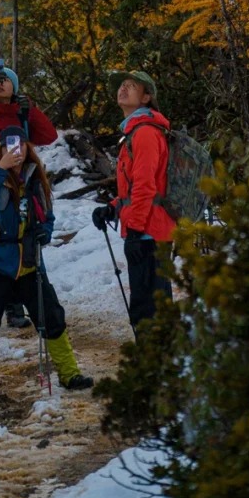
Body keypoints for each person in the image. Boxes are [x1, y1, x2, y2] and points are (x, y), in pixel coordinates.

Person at [0, 130, 92, 413]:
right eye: (9, 145)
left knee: (51, 315)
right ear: (0, 149)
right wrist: (0, 170)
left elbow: (47, 214)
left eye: (21, 144)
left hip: (29, 261)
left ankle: (70, 373)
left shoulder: (35, 178)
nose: (16, 150)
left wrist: (44, 231)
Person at [0, 57, 57, 327]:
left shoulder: (22, 114)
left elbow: (49, 135)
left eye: (6, 80)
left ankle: (31, 305)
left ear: (15, 88)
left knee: (24, 238)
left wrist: (30, 110)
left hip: (23, 186)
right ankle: (8, 306)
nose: (0, 84)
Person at [92, 70, 175, 328]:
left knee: (147, 310)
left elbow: (145, 186)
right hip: (148, 230)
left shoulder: (145, 132)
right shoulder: (135, 131)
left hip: (149, 233)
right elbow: (134, 188)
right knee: (152, 306)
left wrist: (136, 229)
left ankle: (155, 354)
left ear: (146, 97)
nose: (123, 89)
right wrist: (112, 208)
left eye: (132, 86)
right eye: (122, 85)